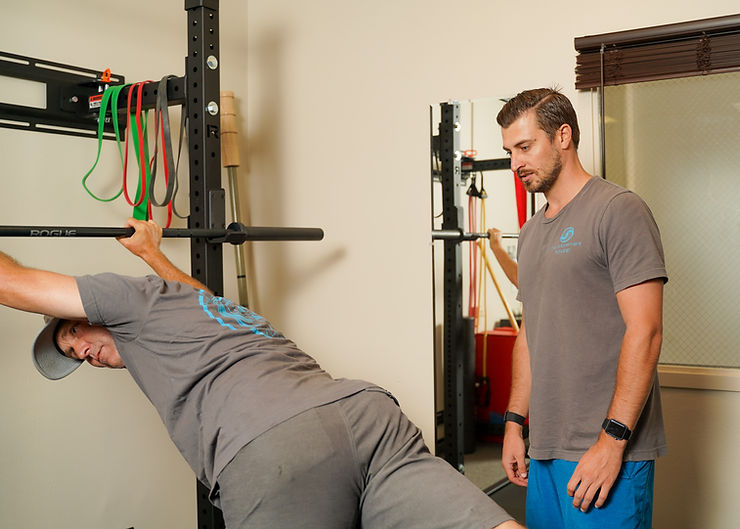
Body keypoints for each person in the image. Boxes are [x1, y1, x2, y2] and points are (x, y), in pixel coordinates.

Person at [2, 217, 524, 529]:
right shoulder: (194, 315)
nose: (81, 353)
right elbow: (201, 297)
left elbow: (13, 284)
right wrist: (154, 253)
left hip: (275, 448)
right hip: (366, 417)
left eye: (74, 335)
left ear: (95, 313)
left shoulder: (123, 299)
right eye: (73, 358)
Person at [493, 88, 667, 529]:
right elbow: (531, 334)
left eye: (525, 147)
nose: (516, 163)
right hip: (546, 451)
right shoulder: (531, 233)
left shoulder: (618, 210)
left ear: (563, 136)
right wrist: (514, 425)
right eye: (510, 151)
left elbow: (645, 331)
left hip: (609, 452)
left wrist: (612, 442)